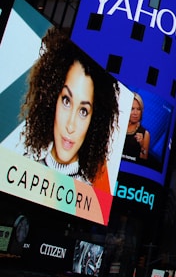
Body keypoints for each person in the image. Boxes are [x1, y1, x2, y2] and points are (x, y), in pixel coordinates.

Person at [20, 28, 119, 184]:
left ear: (94, 121)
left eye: (83, 111)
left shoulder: (89, 197)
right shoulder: (21, 171)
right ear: (52, 101)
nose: (71, 125)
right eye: (66, 101)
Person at [122, 94, 150, 161]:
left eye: (138, 109)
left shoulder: (145, 134)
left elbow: (144, 158)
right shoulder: (118, 126)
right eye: (132, 109)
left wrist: (142, 145)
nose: (135, 113)